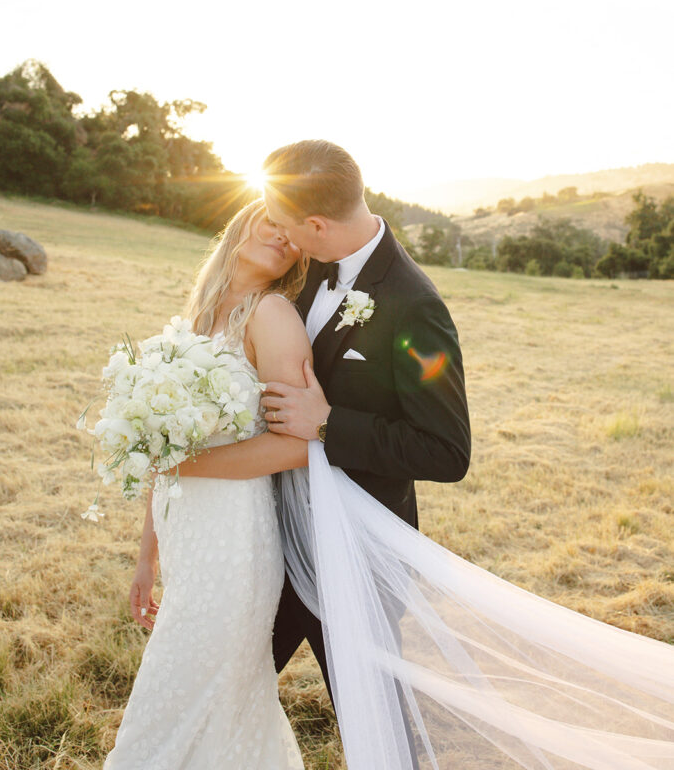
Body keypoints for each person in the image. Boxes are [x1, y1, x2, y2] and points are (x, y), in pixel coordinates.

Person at [168, 142, 674, 770]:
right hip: (273, 532)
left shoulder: (414, 305)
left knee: (373, 718)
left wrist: (329, 424)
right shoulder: (313, 273)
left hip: (351, 547)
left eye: (288, 227)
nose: (283, 240)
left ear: (317, 225)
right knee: (225, 679)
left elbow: (446, 449)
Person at [105, 199, 311, 770]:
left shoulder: (271, 314)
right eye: (272, 217)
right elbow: (163, 448)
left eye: (295, 235)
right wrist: (146, 556)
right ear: (242, 219)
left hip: (235, 541)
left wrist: (183, 467)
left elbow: (298, 444)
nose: (282, 236)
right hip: (185, 535)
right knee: (224, 703)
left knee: (178, 696)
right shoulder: (198, 315)